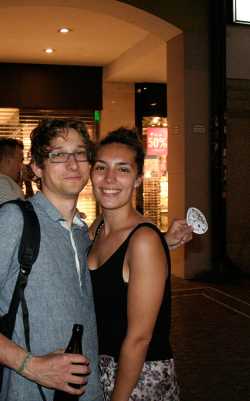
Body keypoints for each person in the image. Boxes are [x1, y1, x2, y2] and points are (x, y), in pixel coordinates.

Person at [0, 118, 192, 401]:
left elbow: (119, 263)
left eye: (80, 153)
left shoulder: (82, 232)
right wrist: (30, 365)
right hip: (33, 392)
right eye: (59, 154)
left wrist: (159, 244)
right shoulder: (15, 221)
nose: (72, 164)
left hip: (91, 391)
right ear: (37, 167)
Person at [87, 127, 180, 400]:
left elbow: (140, 339)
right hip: (100, 367)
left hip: (137, 376)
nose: (109, 178)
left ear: (138, 179)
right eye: (101, 167)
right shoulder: (98, 227)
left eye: (123, 169)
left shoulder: (144, 241)